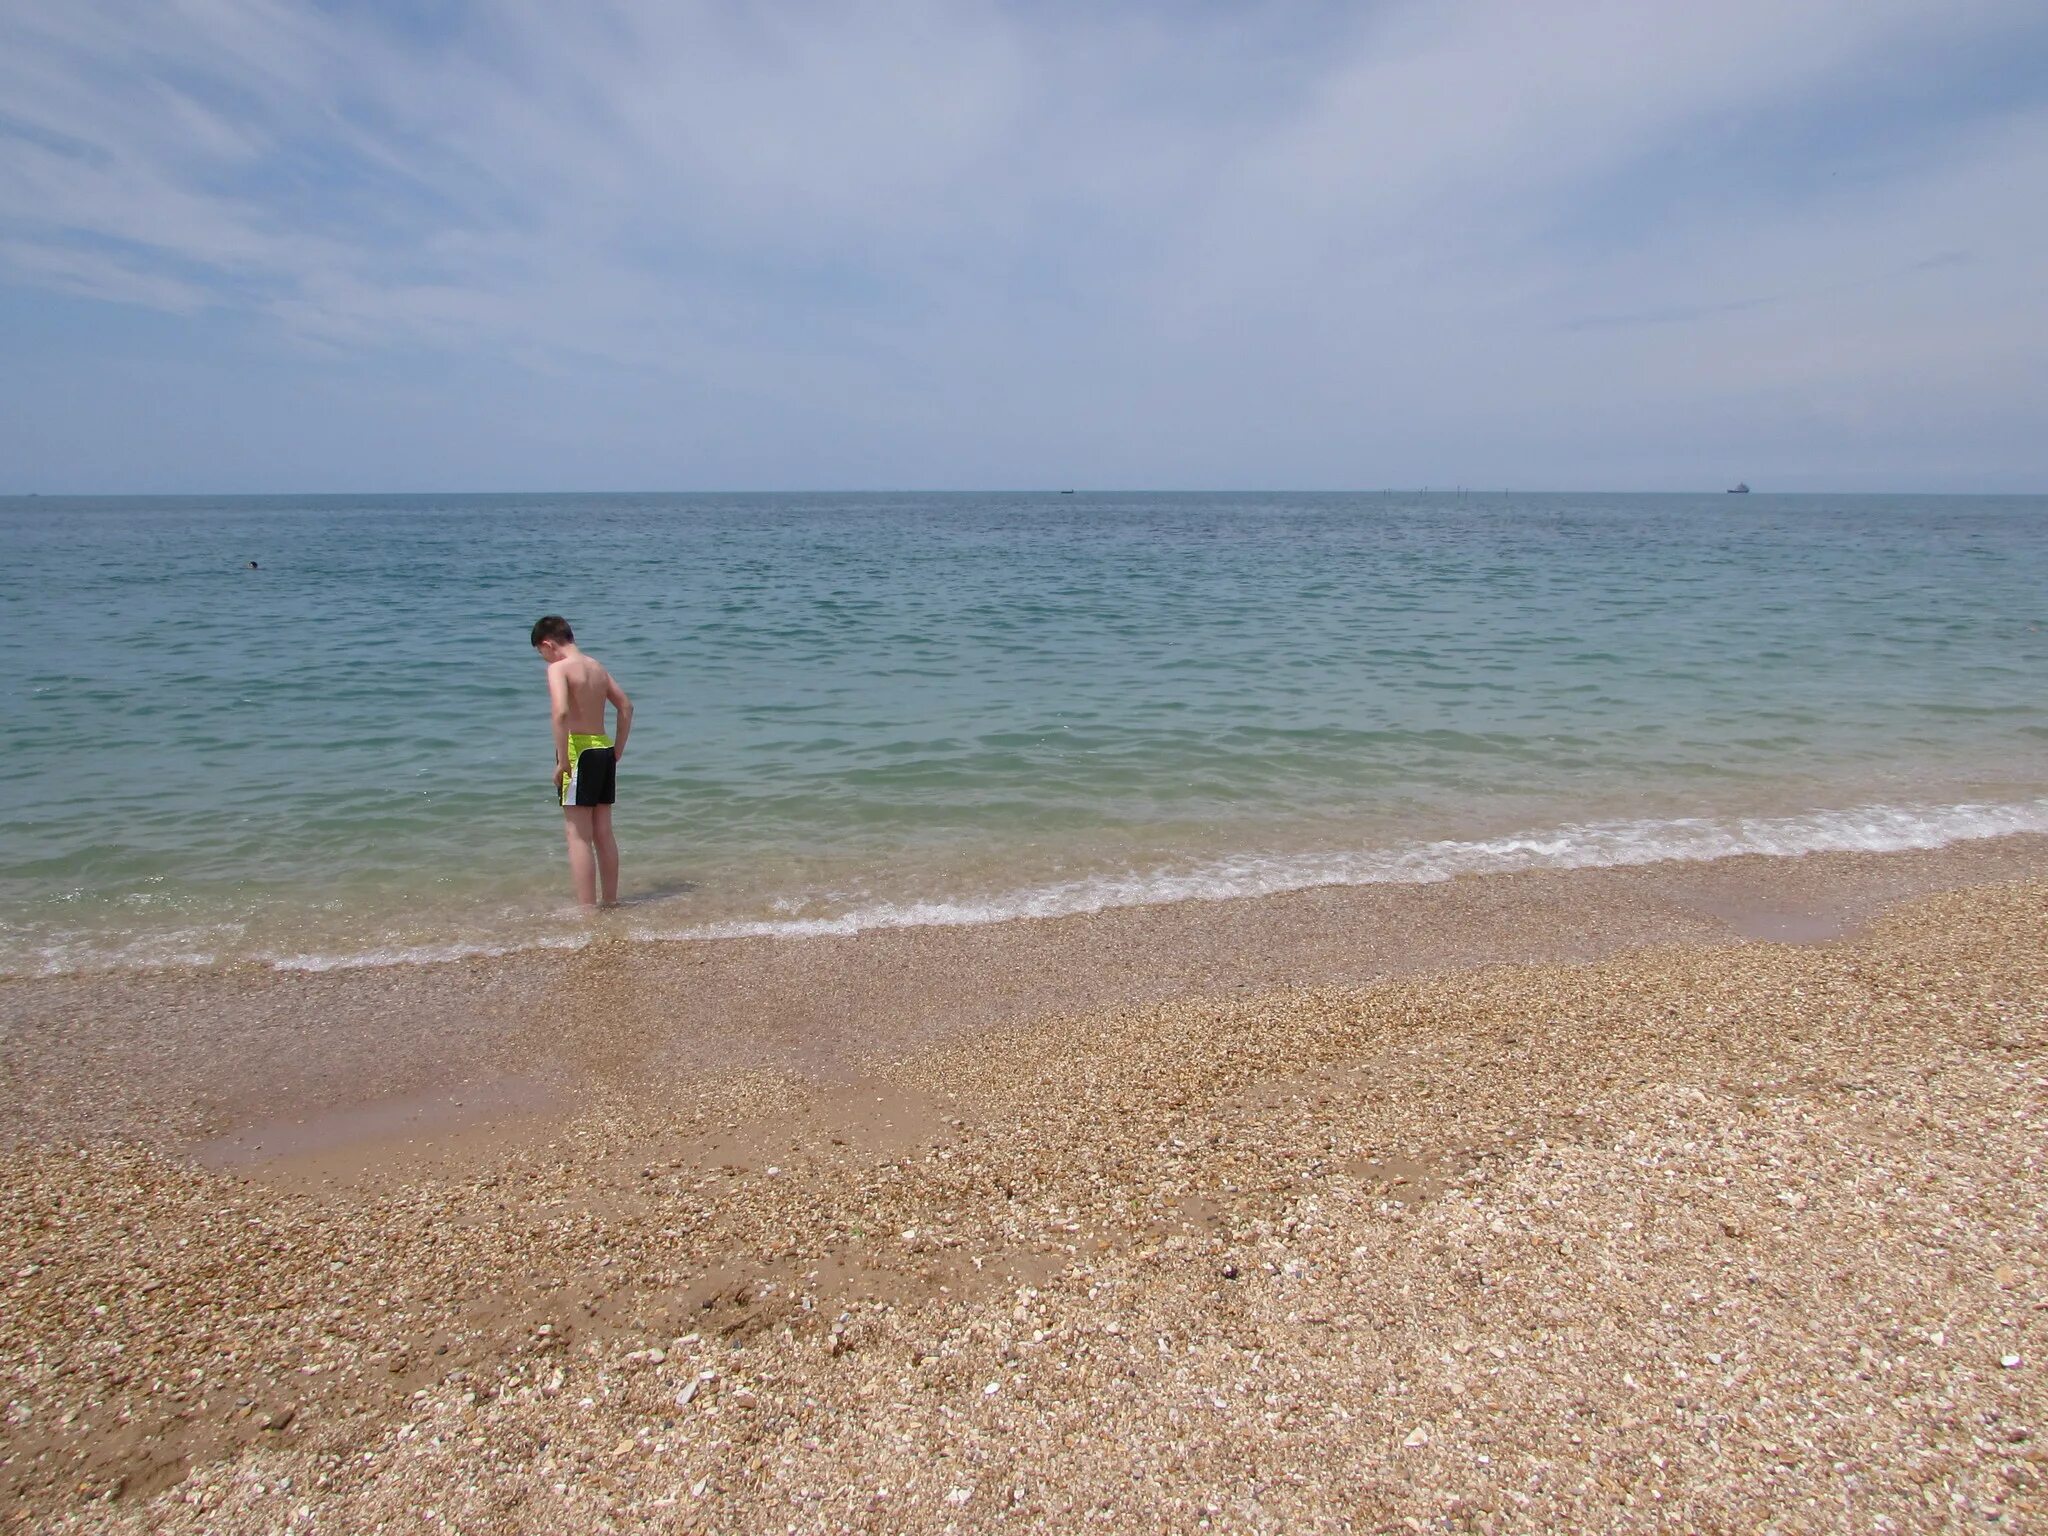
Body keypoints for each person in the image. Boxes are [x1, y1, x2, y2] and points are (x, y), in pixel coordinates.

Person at [530, 615, 632, 907]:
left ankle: (587, 910)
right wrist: (618, 749)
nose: (545, 660)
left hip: (578, 751)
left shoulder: (559, 669)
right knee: (604, 832)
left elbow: (561, 713)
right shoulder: (596, 667)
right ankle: (610, 902)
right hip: (603, 748)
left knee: (577, 835)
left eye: (542, 654)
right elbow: (626, 706)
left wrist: (563, 761)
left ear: (548, 644)